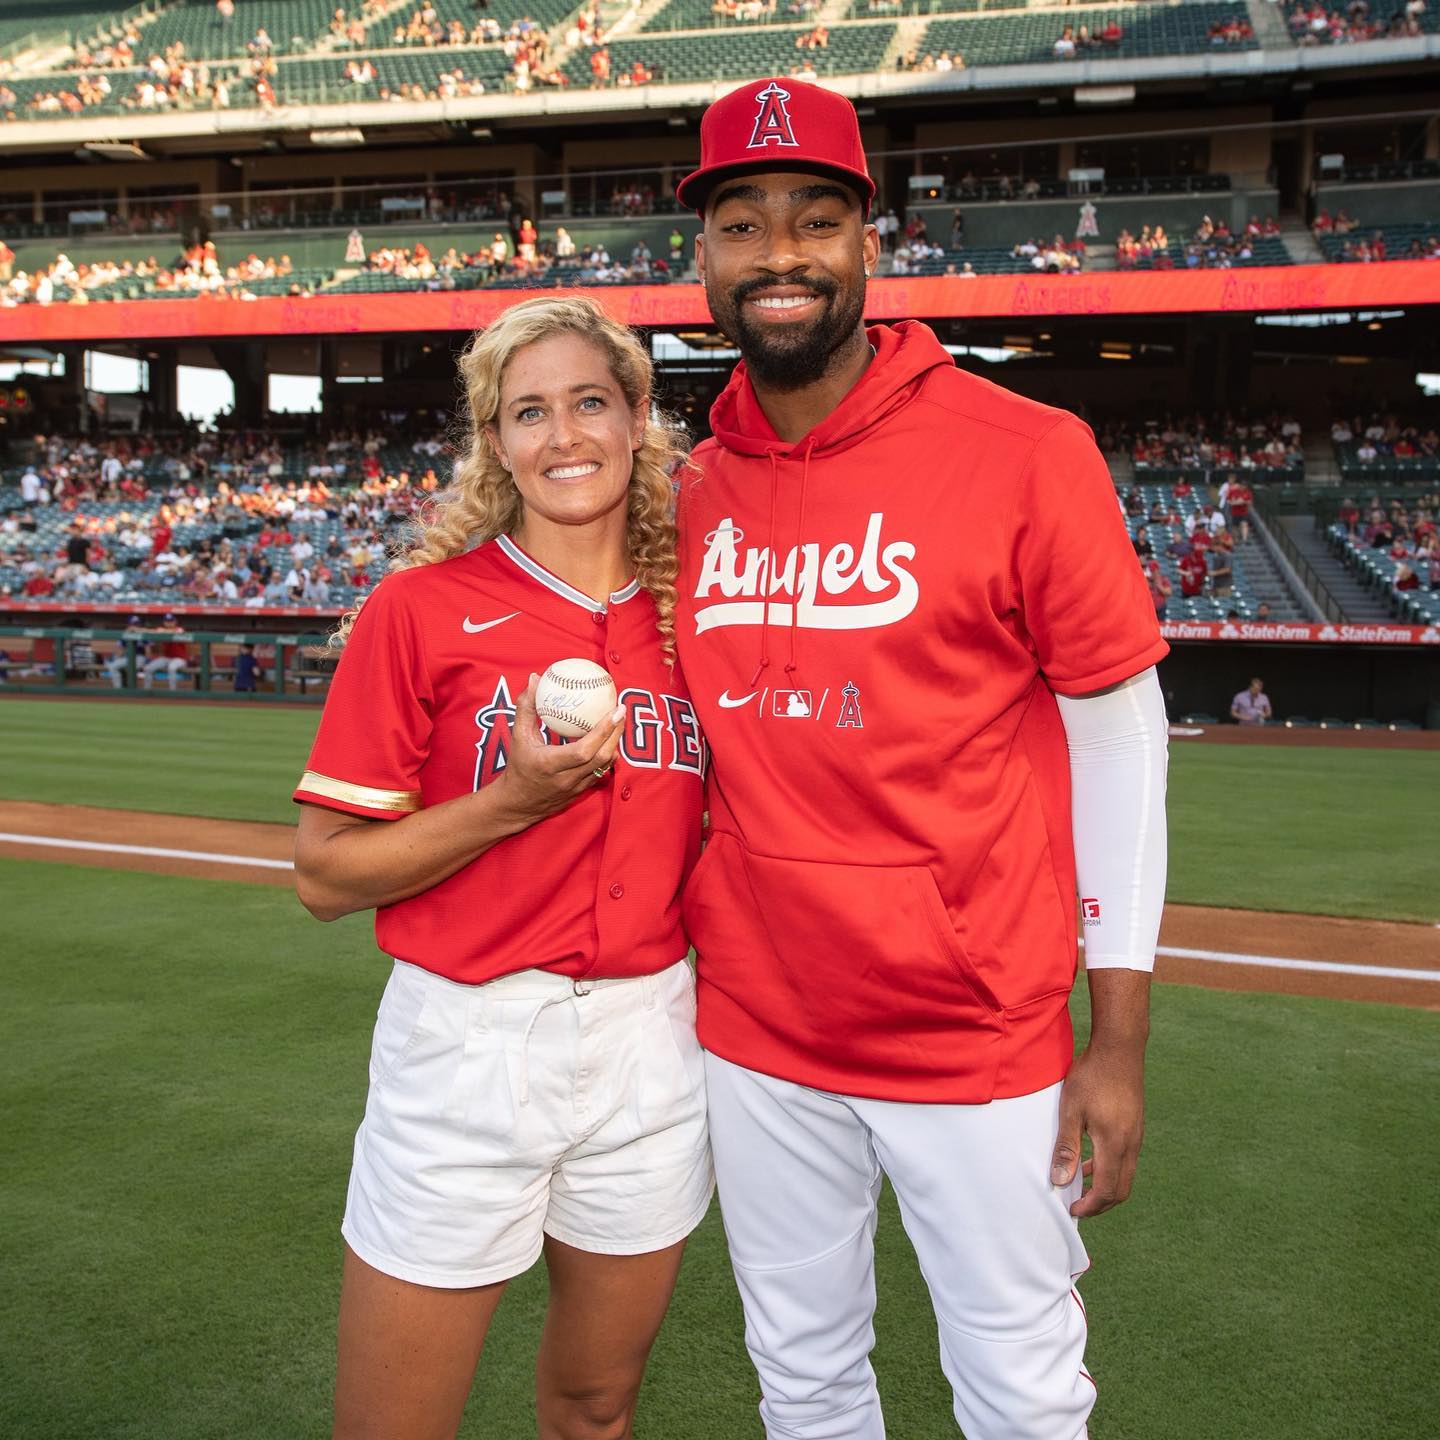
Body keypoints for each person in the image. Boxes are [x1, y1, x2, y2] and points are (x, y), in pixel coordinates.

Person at [674, 78, 1169, 1440]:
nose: (780, 253)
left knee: (1021, 1394)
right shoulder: (688, 488)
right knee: (804, 1379)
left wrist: (1117, 1043)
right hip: (757, 1026)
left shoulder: (1027, 450)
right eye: (742, 222)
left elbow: (1120, 741)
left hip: (975, 1032)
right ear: (702, 258)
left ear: (869, 245)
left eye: (816, 218)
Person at [291, 295, 711, 1440]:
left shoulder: (699, 622)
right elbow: (325, 876)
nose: (563, 435)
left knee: (597, 1406)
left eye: (590, 402)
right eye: (529, 412)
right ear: (496, 441)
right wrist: (513, 801)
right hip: (467, 1046)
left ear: (638, 417)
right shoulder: (420, 610)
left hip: (652, 1045)